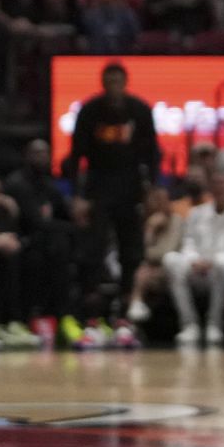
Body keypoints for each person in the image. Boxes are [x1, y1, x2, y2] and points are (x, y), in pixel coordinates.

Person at [62, 62, 161, 321]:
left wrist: (152, 187)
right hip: (98, 185)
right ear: (103, 83)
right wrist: (77, 195)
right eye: (109, 82)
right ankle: (91, 310)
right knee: (93, 248)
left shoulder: (139, 110)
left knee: (131, 249)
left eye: (118, 81)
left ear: (125, 82)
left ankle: (127, 308)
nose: (113, 87)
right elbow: (75, 155)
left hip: (130, 186)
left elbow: (151, 153)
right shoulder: (89, 111)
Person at [164, 165, 224, 346]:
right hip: (197, 268)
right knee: (170, 260)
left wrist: (213, 261)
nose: (220, 187)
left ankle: (214, 324)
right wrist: (194, 260)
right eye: (216, 183)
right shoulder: (196, 213)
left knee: (223, 265)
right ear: (210, 186)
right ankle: (189, 325)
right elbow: (189, 243)